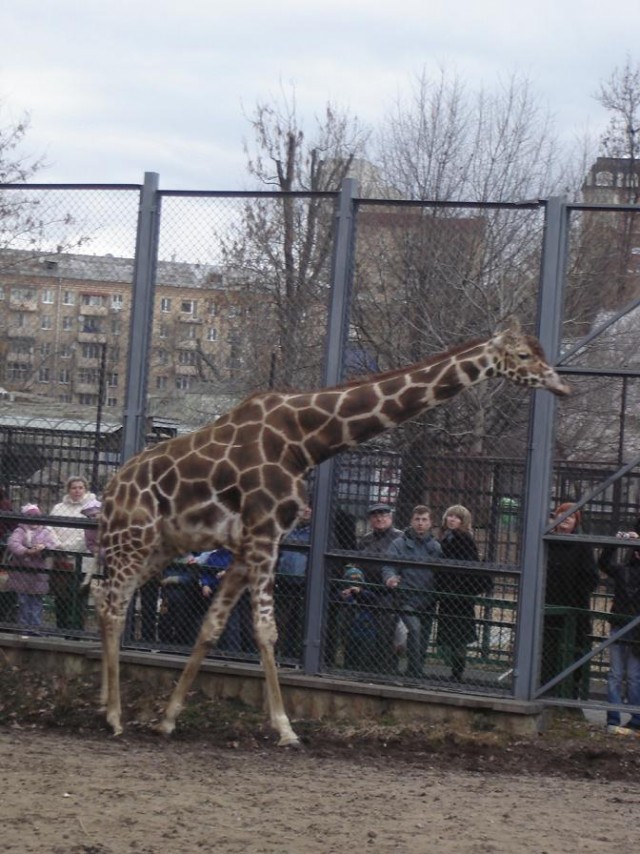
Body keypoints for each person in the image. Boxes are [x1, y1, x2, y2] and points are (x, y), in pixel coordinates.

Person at [541, 501, 598, 698]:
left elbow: (590, 577)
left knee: (574, 650)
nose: (565, 519)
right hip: (547, 607)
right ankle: (545, 689)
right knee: (546, 649)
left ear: (576, 522)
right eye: (562, 514)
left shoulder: (582, 544)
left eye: (571, 516)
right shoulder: (546, 540)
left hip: (574, 610)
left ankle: (570, 693)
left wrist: (576, 599)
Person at [382, 504, 443, 680]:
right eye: (417, 519)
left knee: (423, 638)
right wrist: (390, 578)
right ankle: (415, 673)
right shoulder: (399, 544)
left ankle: (416, 670)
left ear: (431, 523)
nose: (420, 523)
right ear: (411, 521)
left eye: (424, 520)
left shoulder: (436, 547)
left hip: (428, 599)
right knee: (414, 630)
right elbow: (389, 565)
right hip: (406, 598)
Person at [435, 504, 492, 682]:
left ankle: (457, 672)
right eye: (450, 516)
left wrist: (453, 586)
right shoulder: (448, 537)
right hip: (452, 593)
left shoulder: (462, 538)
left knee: (458, 635)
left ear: (463, 521)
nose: (452, 519)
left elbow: (467, 567)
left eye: (456, 517)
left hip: (459, 595)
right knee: (455, 634)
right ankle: (455, 670)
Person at [598, 523, 640, 736]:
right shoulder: (624, 570)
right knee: (617, 674)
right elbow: (604, 563)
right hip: (621, 624)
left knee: (632, 675)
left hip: (634, 630)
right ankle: (614, 720)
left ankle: (635, 720)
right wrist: (616, 542)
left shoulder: (626, 571)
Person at [354, 503, 403, 673]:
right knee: (364, 632)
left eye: (383, 515)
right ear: (370, 519)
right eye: (375, 516)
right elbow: (357, 564)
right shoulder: (365, 539)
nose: (379, 518)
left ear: (390, 517)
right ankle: (363, 668)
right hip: (366, 592)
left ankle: (386, 670)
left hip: (389, 594)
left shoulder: (400, 538)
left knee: (386, 633)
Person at [49, 476, 97, 630]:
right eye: (74, 488)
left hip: (81, 561)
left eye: (80, 487)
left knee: (77, 598)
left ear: (86, 489)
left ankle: (75, 631)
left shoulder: (92, 508)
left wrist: (68, 548)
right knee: (60, 597)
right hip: (60, 559)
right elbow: (49, 528)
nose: (77, 491)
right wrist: (57, 546)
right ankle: (60, 628)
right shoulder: (58, 508)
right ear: (68, 489)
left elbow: (87, 536)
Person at [6, 504, 60, 633]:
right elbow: (13, 543)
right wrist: (26, 551)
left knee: (36, 603)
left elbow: (54, 544)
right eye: (30, 516)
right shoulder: (20, 530)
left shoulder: (46, 531)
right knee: (23, 602)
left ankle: (35, 629)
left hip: (38, 574)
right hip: (22, 573)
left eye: (36, 516)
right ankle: (23, 629)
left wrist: (42, 547)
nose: (34, 519)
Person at [275, 504, 312, 660]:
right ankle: (279, 655)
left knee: (300, 623)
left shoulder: (316, 531)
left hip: (306, 585)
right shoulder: (284, 530)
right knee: (281, 621)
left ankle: (297, 657)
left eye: (309, 508)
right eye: (302, 507)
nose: (305, 511)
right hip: (283, 583)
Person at [339, 565, 379, 671]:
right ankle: (348, 668)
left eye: (358, 582)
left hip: (367, 630)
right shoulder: (345, 595)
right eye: (351, 582)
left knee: (365, 656)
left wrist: (359, 592)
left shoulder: (368, 594)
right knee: (350, 655)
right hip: (350, 630)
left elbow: (373, 599)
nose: (354, 585)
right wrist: (342, 596)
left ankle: (363, 670)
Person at [0, 488, 18, 623]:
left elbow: (13, 526)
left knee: (4, 582)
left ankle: (5, 615)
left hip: (2, 549)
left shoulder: (5, 504)